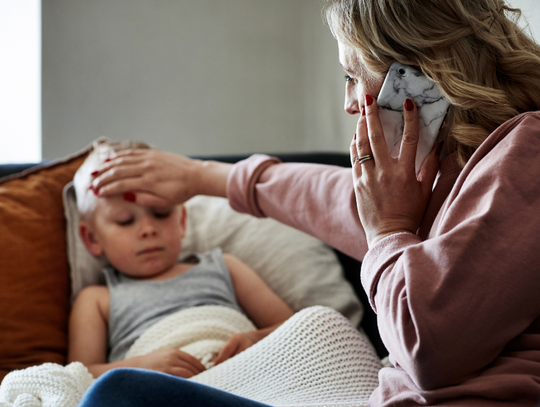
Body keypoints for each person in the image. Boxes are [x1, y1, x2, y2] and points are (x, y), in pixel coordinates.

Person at [80, 0, 540, 405]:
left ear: (420, 71)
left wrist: (390, 231)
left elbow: (429, 348)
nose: (348, 102)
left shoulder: (528, 151)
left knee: (116, 395)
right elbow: (334, 201)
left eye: (352, 74)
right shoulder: (456, 166)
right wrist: (203, 177)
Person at [68, 142, 294, 379]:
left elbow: (298, 328)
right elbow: (76, 377)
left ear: (182, 220)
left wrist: (255, 340)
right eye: (125, 220)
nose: (148, 229)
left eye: (161, 214)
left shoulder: (224, 267)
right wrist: (139, 367)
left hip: (246, 377)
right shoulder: (96, 300)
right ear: (92, 238)